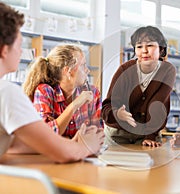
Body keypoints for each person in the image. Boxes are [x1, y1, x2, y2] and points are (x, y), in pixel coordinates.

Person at [0, 2, 104, 163]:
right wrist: (83, 147)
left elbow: (15, 146)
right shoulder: (6, 92)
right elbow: (61, 154)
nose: (21, 51)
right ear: (4, 50)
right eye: (19, 45)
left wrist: (71, 143)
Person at [101, 26, 176, 147]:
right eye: (139, 46)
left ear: (161, 49)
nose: (144, 51)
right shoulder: (125, 70)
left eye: (150, 45)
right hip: (118, 134)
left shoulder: (167, 70)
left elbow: (158, 104)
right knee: (116, 166)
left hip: (147, 134)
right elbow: (107, 106)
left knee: (152, 164)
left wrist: (151, 136)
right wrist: (117, 114)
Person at [22, 44, 102, 139]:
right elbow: (43, 135)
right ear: (68, 71)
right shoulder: (45, 91)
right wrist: (75, 105)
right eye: (83, 65)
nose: (87, 70)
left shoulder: (92, 92)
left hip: (81, 153)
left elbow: (98, 135)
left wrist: (64, 138)